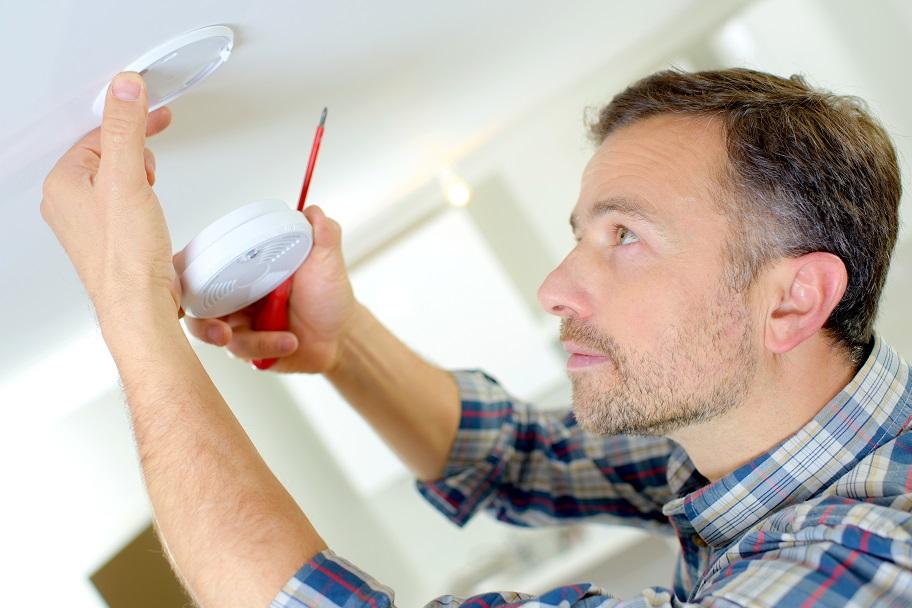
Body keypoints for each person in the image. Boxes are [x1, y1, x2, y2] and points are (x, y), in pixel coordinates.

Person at [40, 66, 911, 607]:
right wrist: (344, 347)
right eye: (582, 234)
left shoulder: (870, 561)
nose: (555, 288)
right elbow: (519, 457)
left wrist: (131, 307)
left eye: (626, 237)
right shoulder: (757, 437)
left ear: (794, 301)